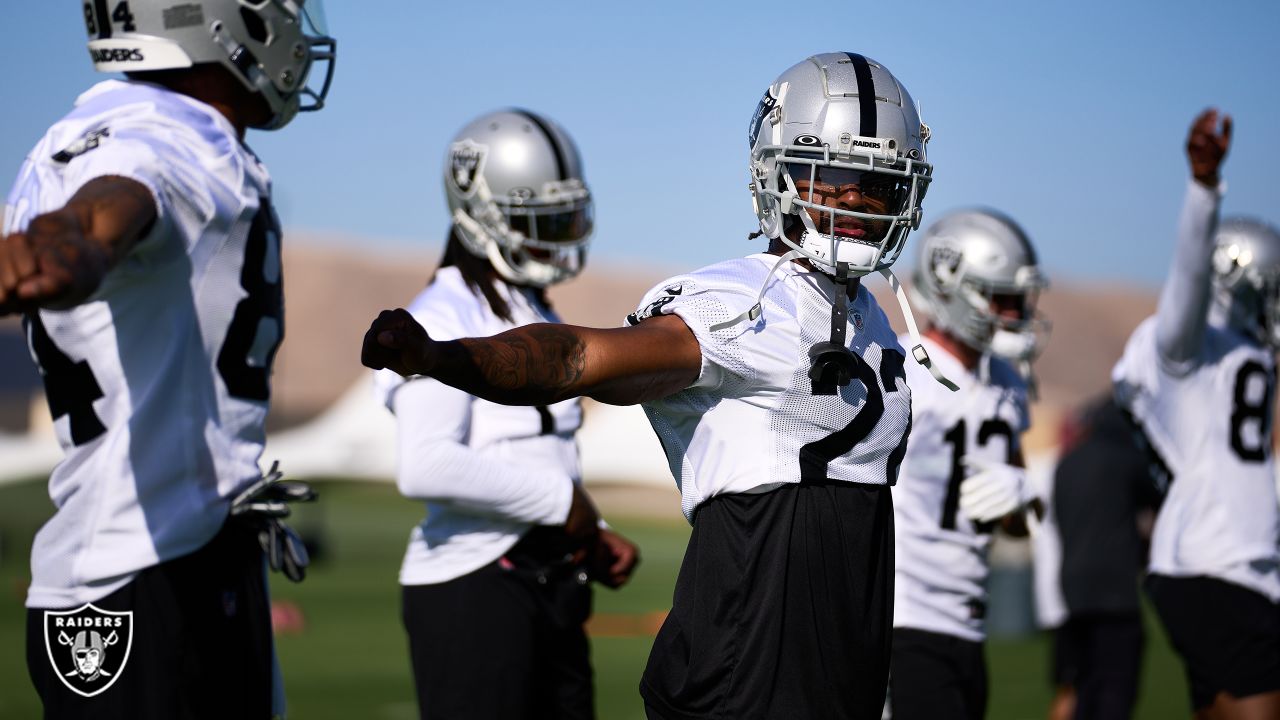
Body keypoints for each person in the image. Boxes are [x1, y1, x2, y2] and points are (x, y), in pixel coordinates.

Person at [364, 52, 944, 719]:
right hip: (745, 658)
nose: (853, 200)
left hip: (841, 660)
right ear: (777, 174)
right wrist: (443, 357)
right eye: (834, 175)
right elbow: (578, 357)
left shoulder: (878, 323)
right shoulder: (740, 302)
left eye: (876, 182)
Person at [0, 1, 335, 717]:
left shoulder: (87, 135)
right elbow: (108, 204)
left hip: (183, 559)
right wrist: (71, 247)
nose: (283, 21)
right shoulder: (157, 141)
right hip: (145, 578)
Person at [372, 109, 640, 720]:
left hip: (545, 577)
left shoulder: (526, 305)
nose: (559, 236)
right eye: (537, 220)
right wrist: (563, 506)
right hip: (475, 586)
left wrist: (583, 534)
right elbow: (425, 464)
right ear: (480, 213)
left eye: (563, 216)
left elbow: (525, 448)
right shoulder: (440, 316)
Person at [1113, 109, 1280, 719]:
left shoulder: (1246, 355)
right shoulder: (1188, 348)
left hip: (1229, 567)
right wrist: (1203, 192)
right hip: (1217, 565)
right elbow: (1185, 284)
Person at [885, 208, 1048, 720]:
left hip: (969, 622)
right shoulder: (901, 368)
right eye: (999, 297)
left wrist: (1023, 494)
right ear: (949, 284)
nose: (1012, 313)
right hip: (901, 614)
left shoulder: (1008, 382)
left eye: (1017, 300)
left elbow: (1017, 528)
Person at [1047, 397, 1158, 720]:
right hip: (1116, 592)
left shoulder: (1065, 463)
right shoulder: (1125, 459)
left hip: (1072, 588)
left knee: (1083, 686)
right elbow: (1157, 501)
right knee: (1115, 689)